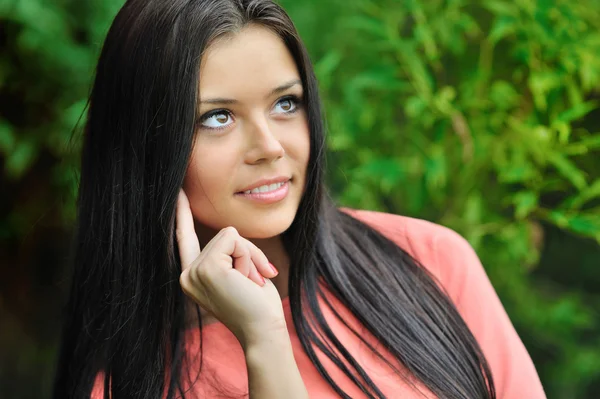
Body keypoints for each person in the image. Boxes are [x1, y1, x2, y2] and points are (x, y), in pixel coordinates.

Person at [52, 0, 547, 398]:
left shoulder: (429, 259)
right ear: (145, 150)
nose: (270, 146)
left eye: (286, 103)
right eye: (217, 117)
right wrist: (263, 342)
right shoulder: (133, 387)